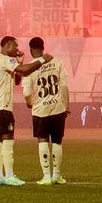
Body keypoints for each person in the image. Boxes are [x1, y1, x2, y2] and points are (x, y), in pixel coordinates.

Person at [0, 36, 52, 186]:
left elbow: (17, 79)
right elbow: (25, 70)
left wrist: (20, 62)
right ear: (7, 45)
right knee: (8, 139)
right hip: (2, 106)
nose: (17, 49)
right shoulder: (6, 59)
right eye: (15, 46)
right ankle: (9, 175)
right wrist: (42, 60)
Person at [22, 37, 69, 185]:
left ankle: (46, 176)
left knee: (42, 140)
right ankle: (56, 175)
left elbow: (26, 92)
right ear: (43, 47)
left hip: (40, 110)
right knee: (57, 141)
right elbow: (64, 86)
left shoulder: (29, 68)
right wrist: (66, 105)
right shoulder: (57, 62)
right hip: (57, 108)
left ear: (31, 50)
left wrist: (29, 103)